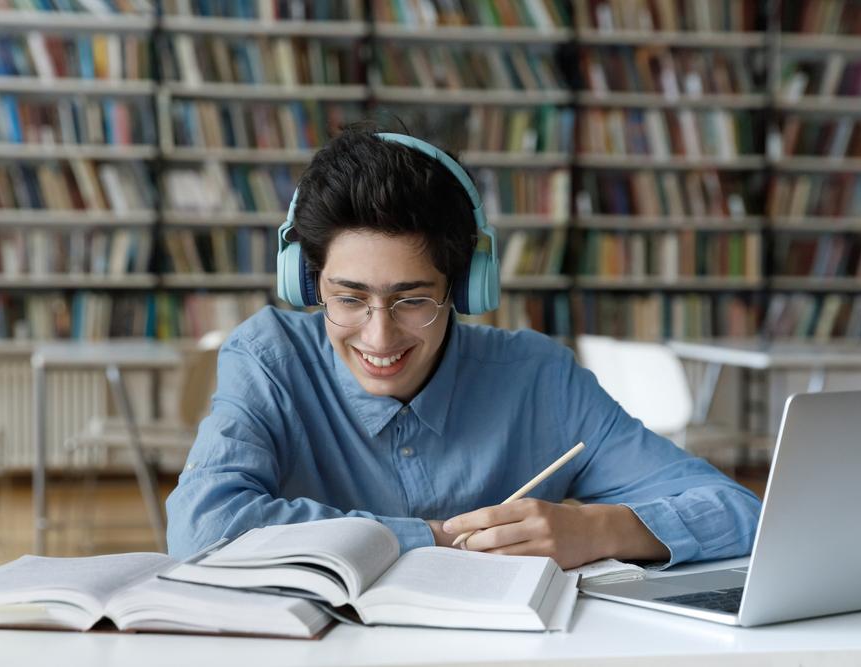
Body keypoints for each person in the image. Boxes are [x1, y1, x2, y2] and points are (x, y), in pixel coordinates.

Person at [166, 126, 761, 569]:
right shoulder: (268, 359)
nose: (379, 336)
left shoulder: (538, 379)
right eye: (348, 299)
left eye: (413, 299)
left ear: (465, 288)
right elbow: (204, 528)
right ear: (307, 282)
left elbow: (742, 513)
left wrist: (601, 531)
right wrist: (436, 537)